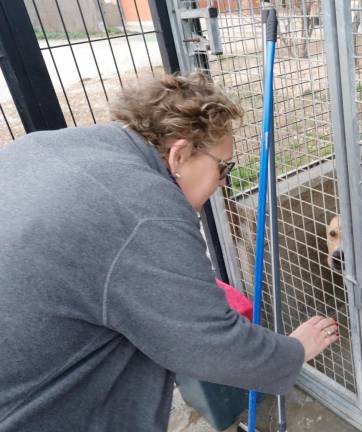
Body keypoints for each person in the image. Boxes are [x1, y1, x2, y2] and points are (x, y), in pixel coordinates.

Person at [0, 73, 339, 431]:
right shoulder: (146, 211)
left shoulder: (44, 145)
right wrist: (295, 350)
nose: (224, 182)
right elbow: (212, 345)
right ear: (178, 155)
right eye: (223, 167)